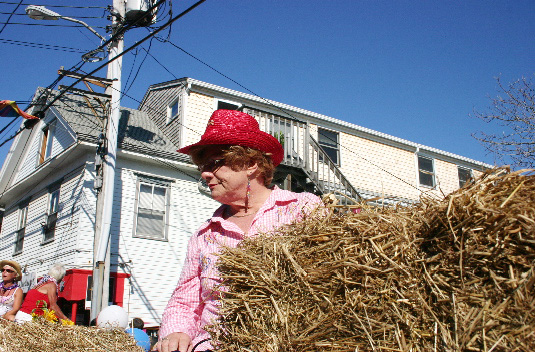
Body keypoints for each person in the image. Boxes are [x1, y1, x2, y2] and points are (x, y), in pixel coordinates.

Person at [155, 110, 322, 352]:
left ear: (251, 164)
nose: (204, 173)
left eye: (214, 163)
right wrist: (176, 332)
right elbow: (184, 301)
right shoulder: (205, 235)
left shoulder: (303, 209)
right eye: (203, 166)